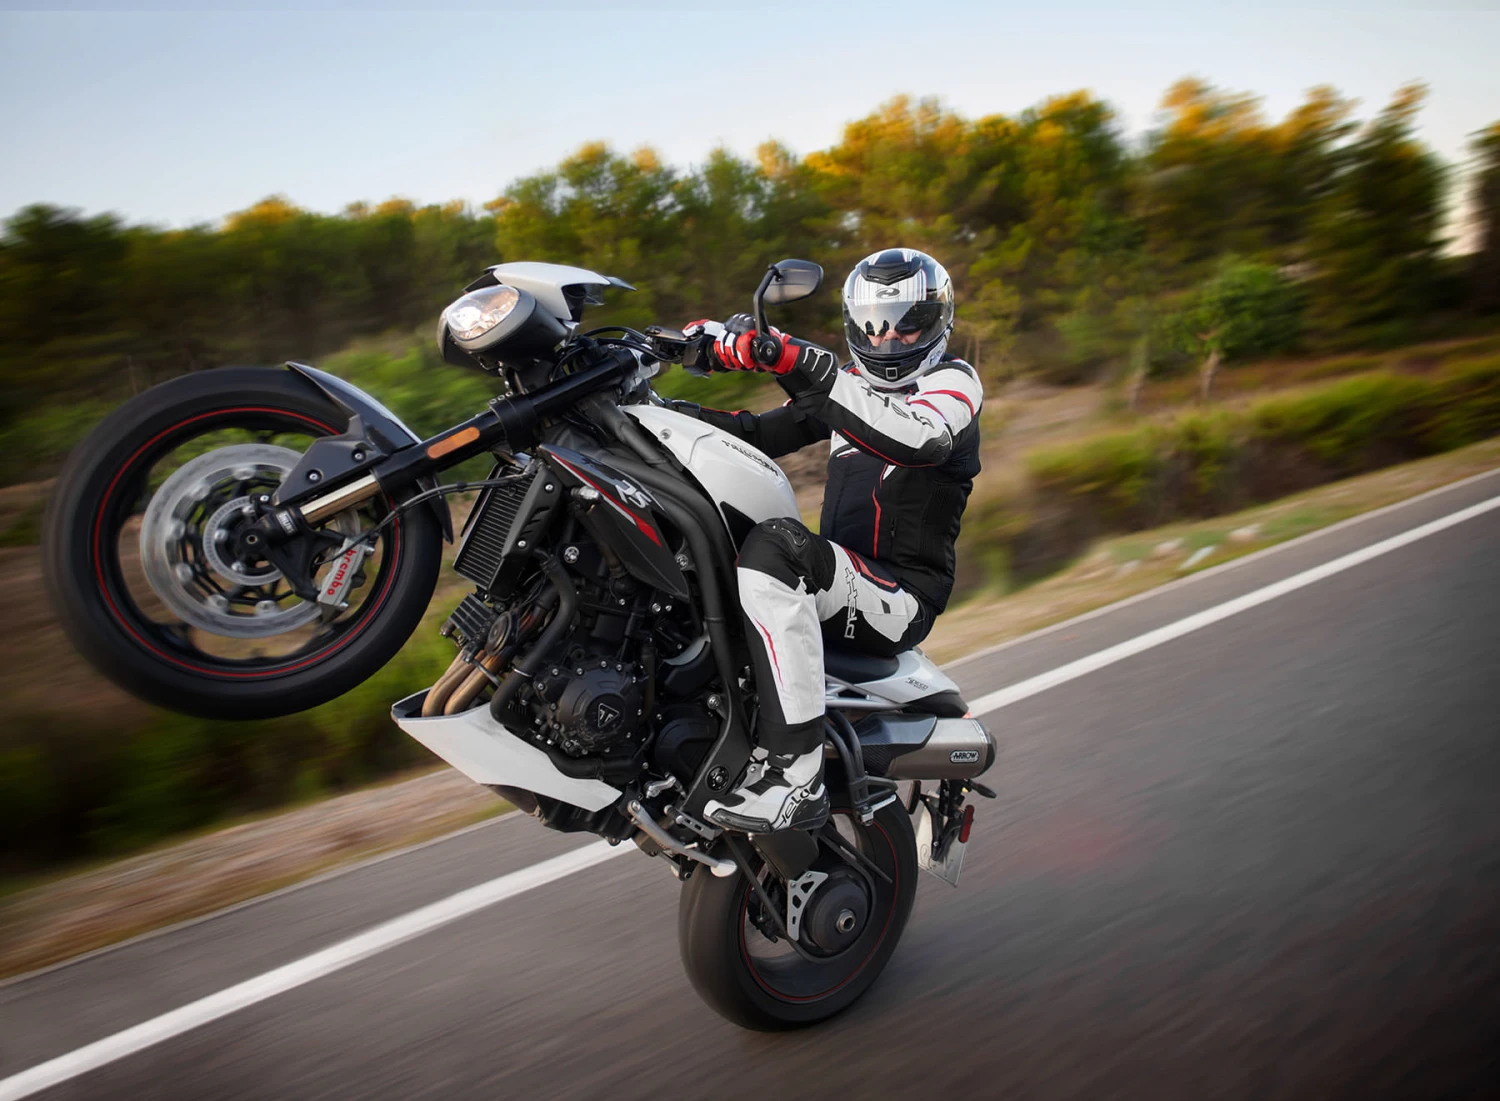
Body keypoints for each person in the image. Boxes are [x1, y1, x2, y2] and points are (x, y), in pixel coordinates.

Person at [676, 248, 984, 833]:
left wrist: (794, 358)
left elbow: (919, 439)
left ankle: (796, 774)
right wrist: (650, 412)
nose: (888, 339)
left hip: (901, 598)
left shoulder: (953, 383)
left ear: (938, 321)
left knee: (776, 547)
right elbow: (751, 434)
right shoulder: (851, 390)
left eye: (907, 323)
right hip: (841, 583)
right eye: (874, 325)